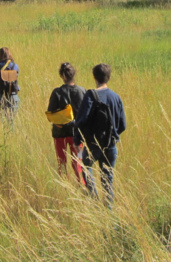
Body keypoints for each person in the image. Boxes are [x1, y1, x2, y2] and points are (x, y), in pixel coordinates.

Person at [74, 63, 127, 206]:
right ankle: (108, 209)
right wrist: (111, 136)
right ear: (108, 77)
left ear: (94, 77)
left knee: (86, 167)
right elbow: (123, 125)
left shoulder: (91, 95)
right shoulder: (116, 97)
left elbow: (80, 120)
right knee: (108, 179)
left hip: (93, 145)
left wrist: (77, 140)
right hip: (110, 146)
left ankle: (93, 199)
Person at [47, 62, 86, 184]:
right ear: (73, 75)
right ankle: (82, 186)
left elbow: (50, 116)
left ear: (63, 76)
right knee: (79, 162)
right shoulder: (83, 91)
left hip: (60, 134)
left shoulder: (57, 92)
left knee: (62, 163)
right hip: (78, 135)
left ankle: (65, 186)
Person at [0, 47, 20, 115]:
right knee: (12, 118)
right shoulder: (15, 66)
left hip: (2, 96)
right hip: (13, 95)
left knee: (2, 118)